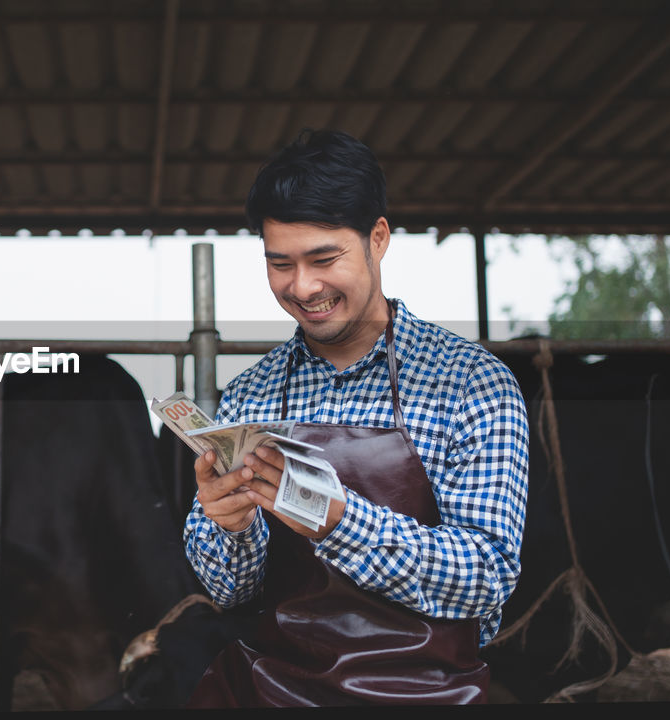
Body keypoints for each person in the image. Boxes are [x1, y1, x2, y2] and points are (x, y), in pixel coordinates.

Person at [181, 129, 530, 706]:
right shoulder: (250, 393)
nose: (303, 286)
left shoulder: (472, 383)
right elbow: (229, 591)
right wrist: (229, 525)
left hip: (426, 696)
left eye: (324, 259)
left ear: (378, 238)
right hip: (276, 691)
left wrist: (339, 523)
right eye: (280, 264)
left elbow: (485, 576)